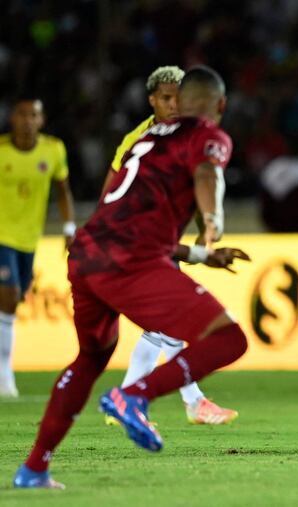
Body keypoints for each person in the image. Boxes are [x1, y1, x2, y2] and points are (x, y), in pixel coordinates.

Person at [14, 66, 250, 489]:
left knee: (90, 359)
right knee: (229, 339)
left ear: (179, 102)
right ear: (220, 104)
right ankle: (134, 395)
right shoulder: (207, 135)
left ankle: (34, 469)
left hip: (87, 255)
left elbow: (121, 219)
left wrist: (201, 254)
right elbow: (207, 174)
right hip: (130, 262)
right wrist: (212, 219)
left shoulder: (143, 139)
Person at [102, 65, 238, 425]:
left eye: (180, 98)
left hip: (156, 242)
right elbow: (113, 190)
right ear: (152, 101)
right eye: (167, 98)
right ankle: (182, 401)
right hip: (136, 242)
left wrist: (202, 235)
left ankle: (133, 398)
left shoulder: (180, 135)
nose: (176, 105)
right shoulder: (142, 138)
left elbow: (198, 182)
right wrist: (211, 225)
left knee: (163, 327)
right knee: (181, 324)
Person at [0, 96, 75, 398]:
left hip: (30, 238)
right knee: (9, 296)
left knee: (15, 299)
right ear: (12, 119)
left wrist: (69, 228)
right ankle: (4, 376)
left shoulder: (53, 150)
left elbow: (63, 190)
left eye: (33, 115)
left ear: (41, 120)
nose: (27, 120)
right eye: (22, 114)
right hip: (2, 235)